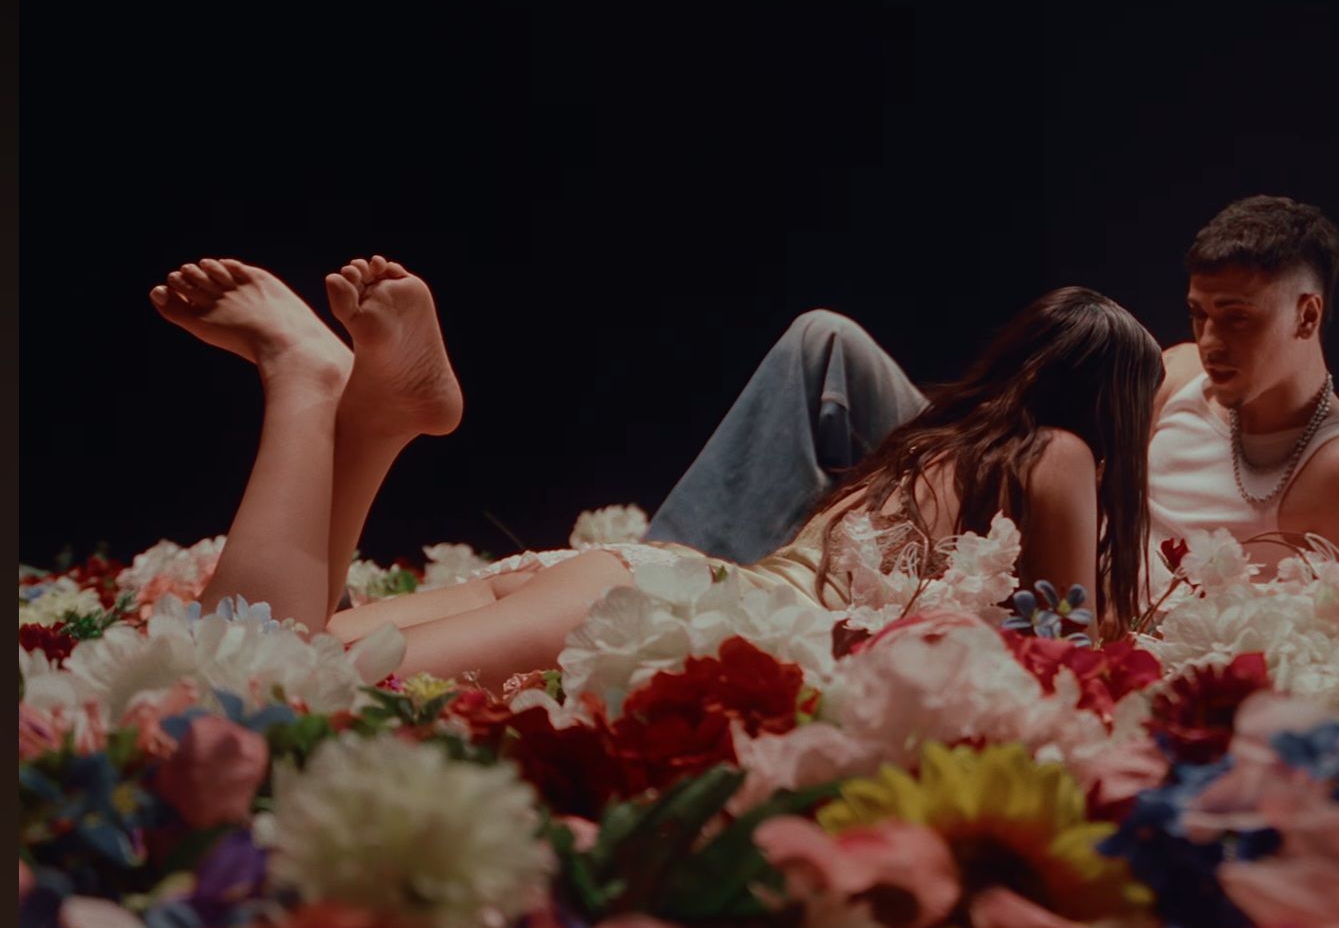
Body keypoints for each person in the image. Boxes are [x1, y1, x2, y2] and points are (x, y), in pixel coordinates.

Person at [148, 256, 1162, 683]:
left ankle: (376, 425)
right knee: (259, 678)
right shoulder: (1065, 457)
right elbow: (1059, 659)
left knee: (287, 648)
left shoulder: (923, 446)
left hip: (634, 576)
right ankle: (308, 379)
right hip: (669, 604)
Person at [646, 195, 1339, 573]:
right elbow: (1048, 456)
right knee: (826, 342)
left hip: (1079, 611)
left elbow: (1325, 651)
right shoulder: (1178, 374)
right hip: (1021, 524)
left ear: (1307, 315)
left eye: (1236, 319)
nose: (1209, 341)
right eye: (1199, 314)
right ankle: (663, 580)